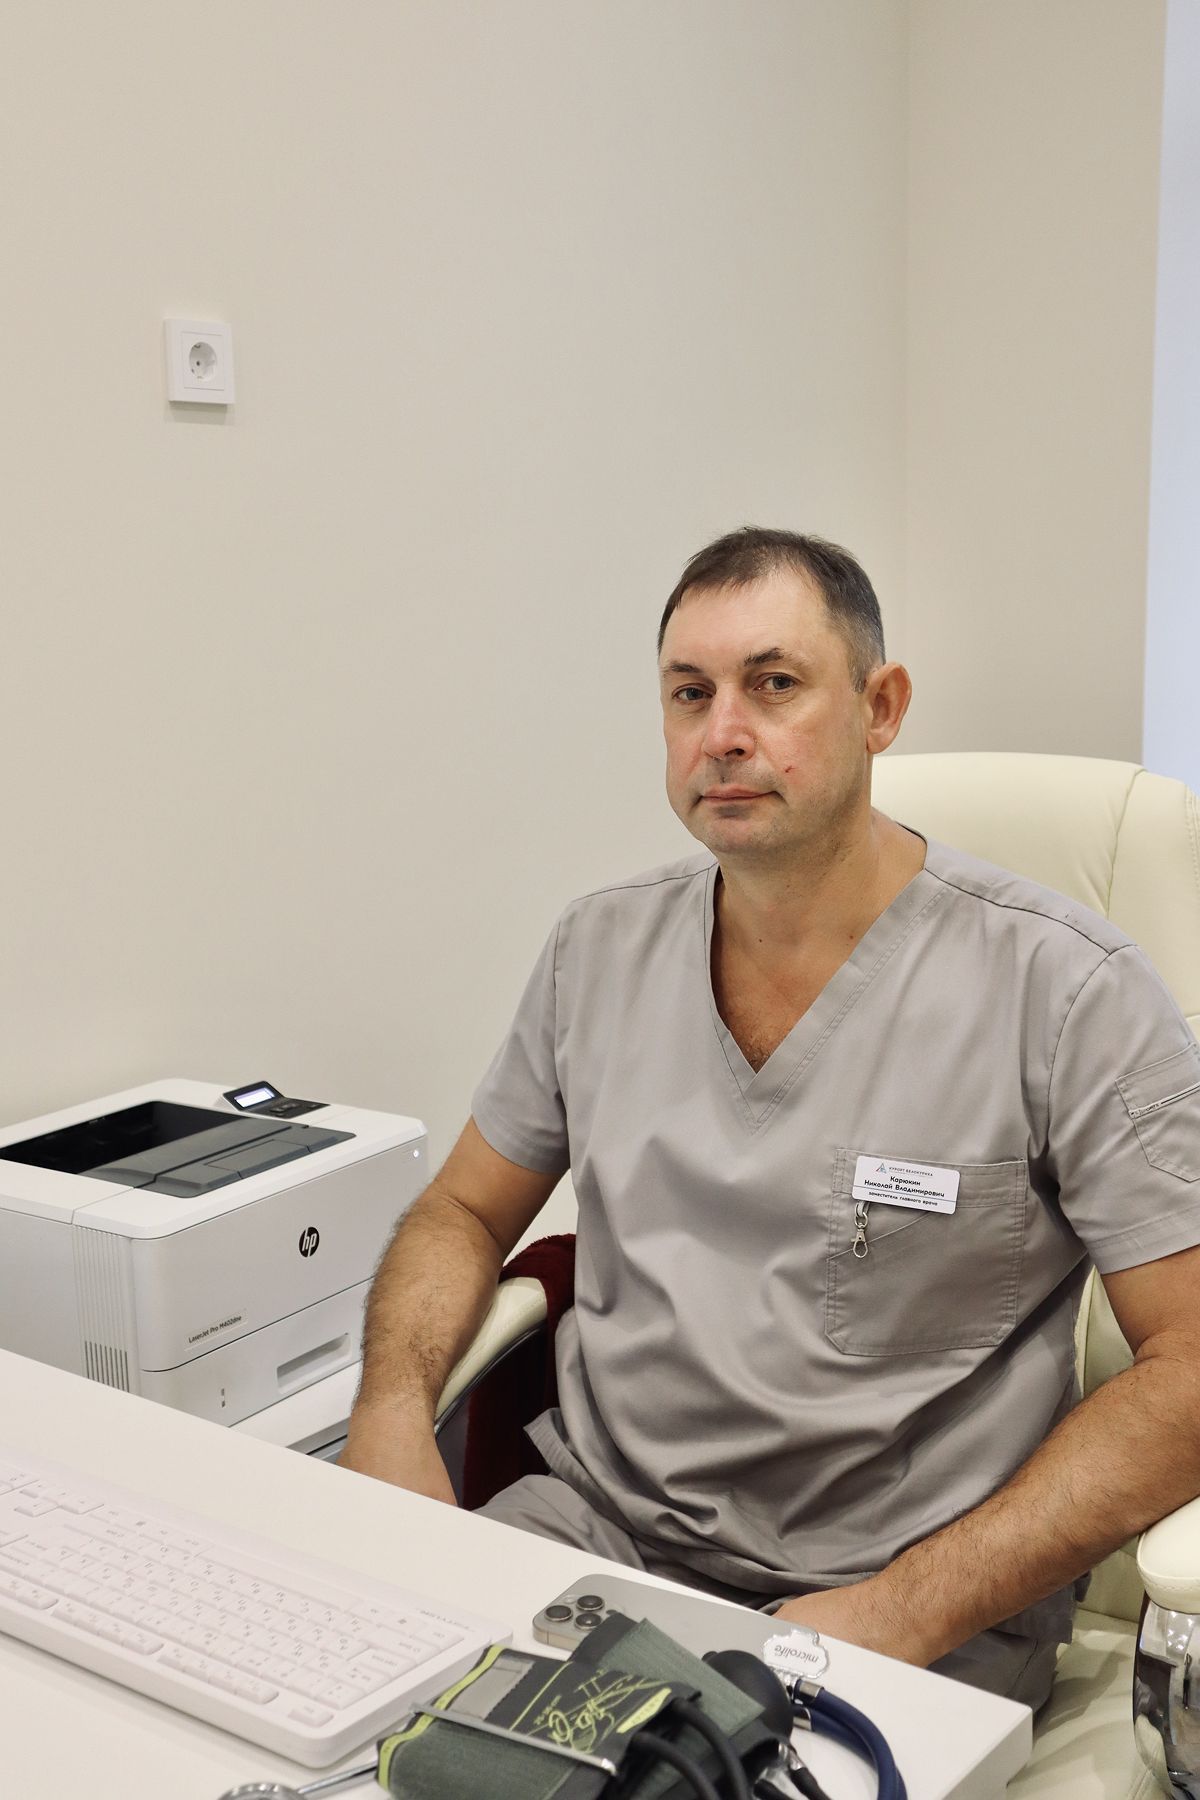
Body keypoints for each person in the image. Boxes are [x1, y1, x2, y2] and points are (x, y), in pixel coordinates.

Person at [341, 527, 1200, 1706]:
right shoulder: (598, 950)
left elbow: (1189, 1365)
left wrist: (902, 1608)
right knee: (339, 1725)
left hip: (907, 1606)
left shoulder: (1068, 992)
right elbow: (461, 1212)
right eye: (690, 694)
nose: (724, 734)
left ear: (880, 708)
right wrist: (392, 1414)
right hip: (594, 1541)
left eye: (775, 684)